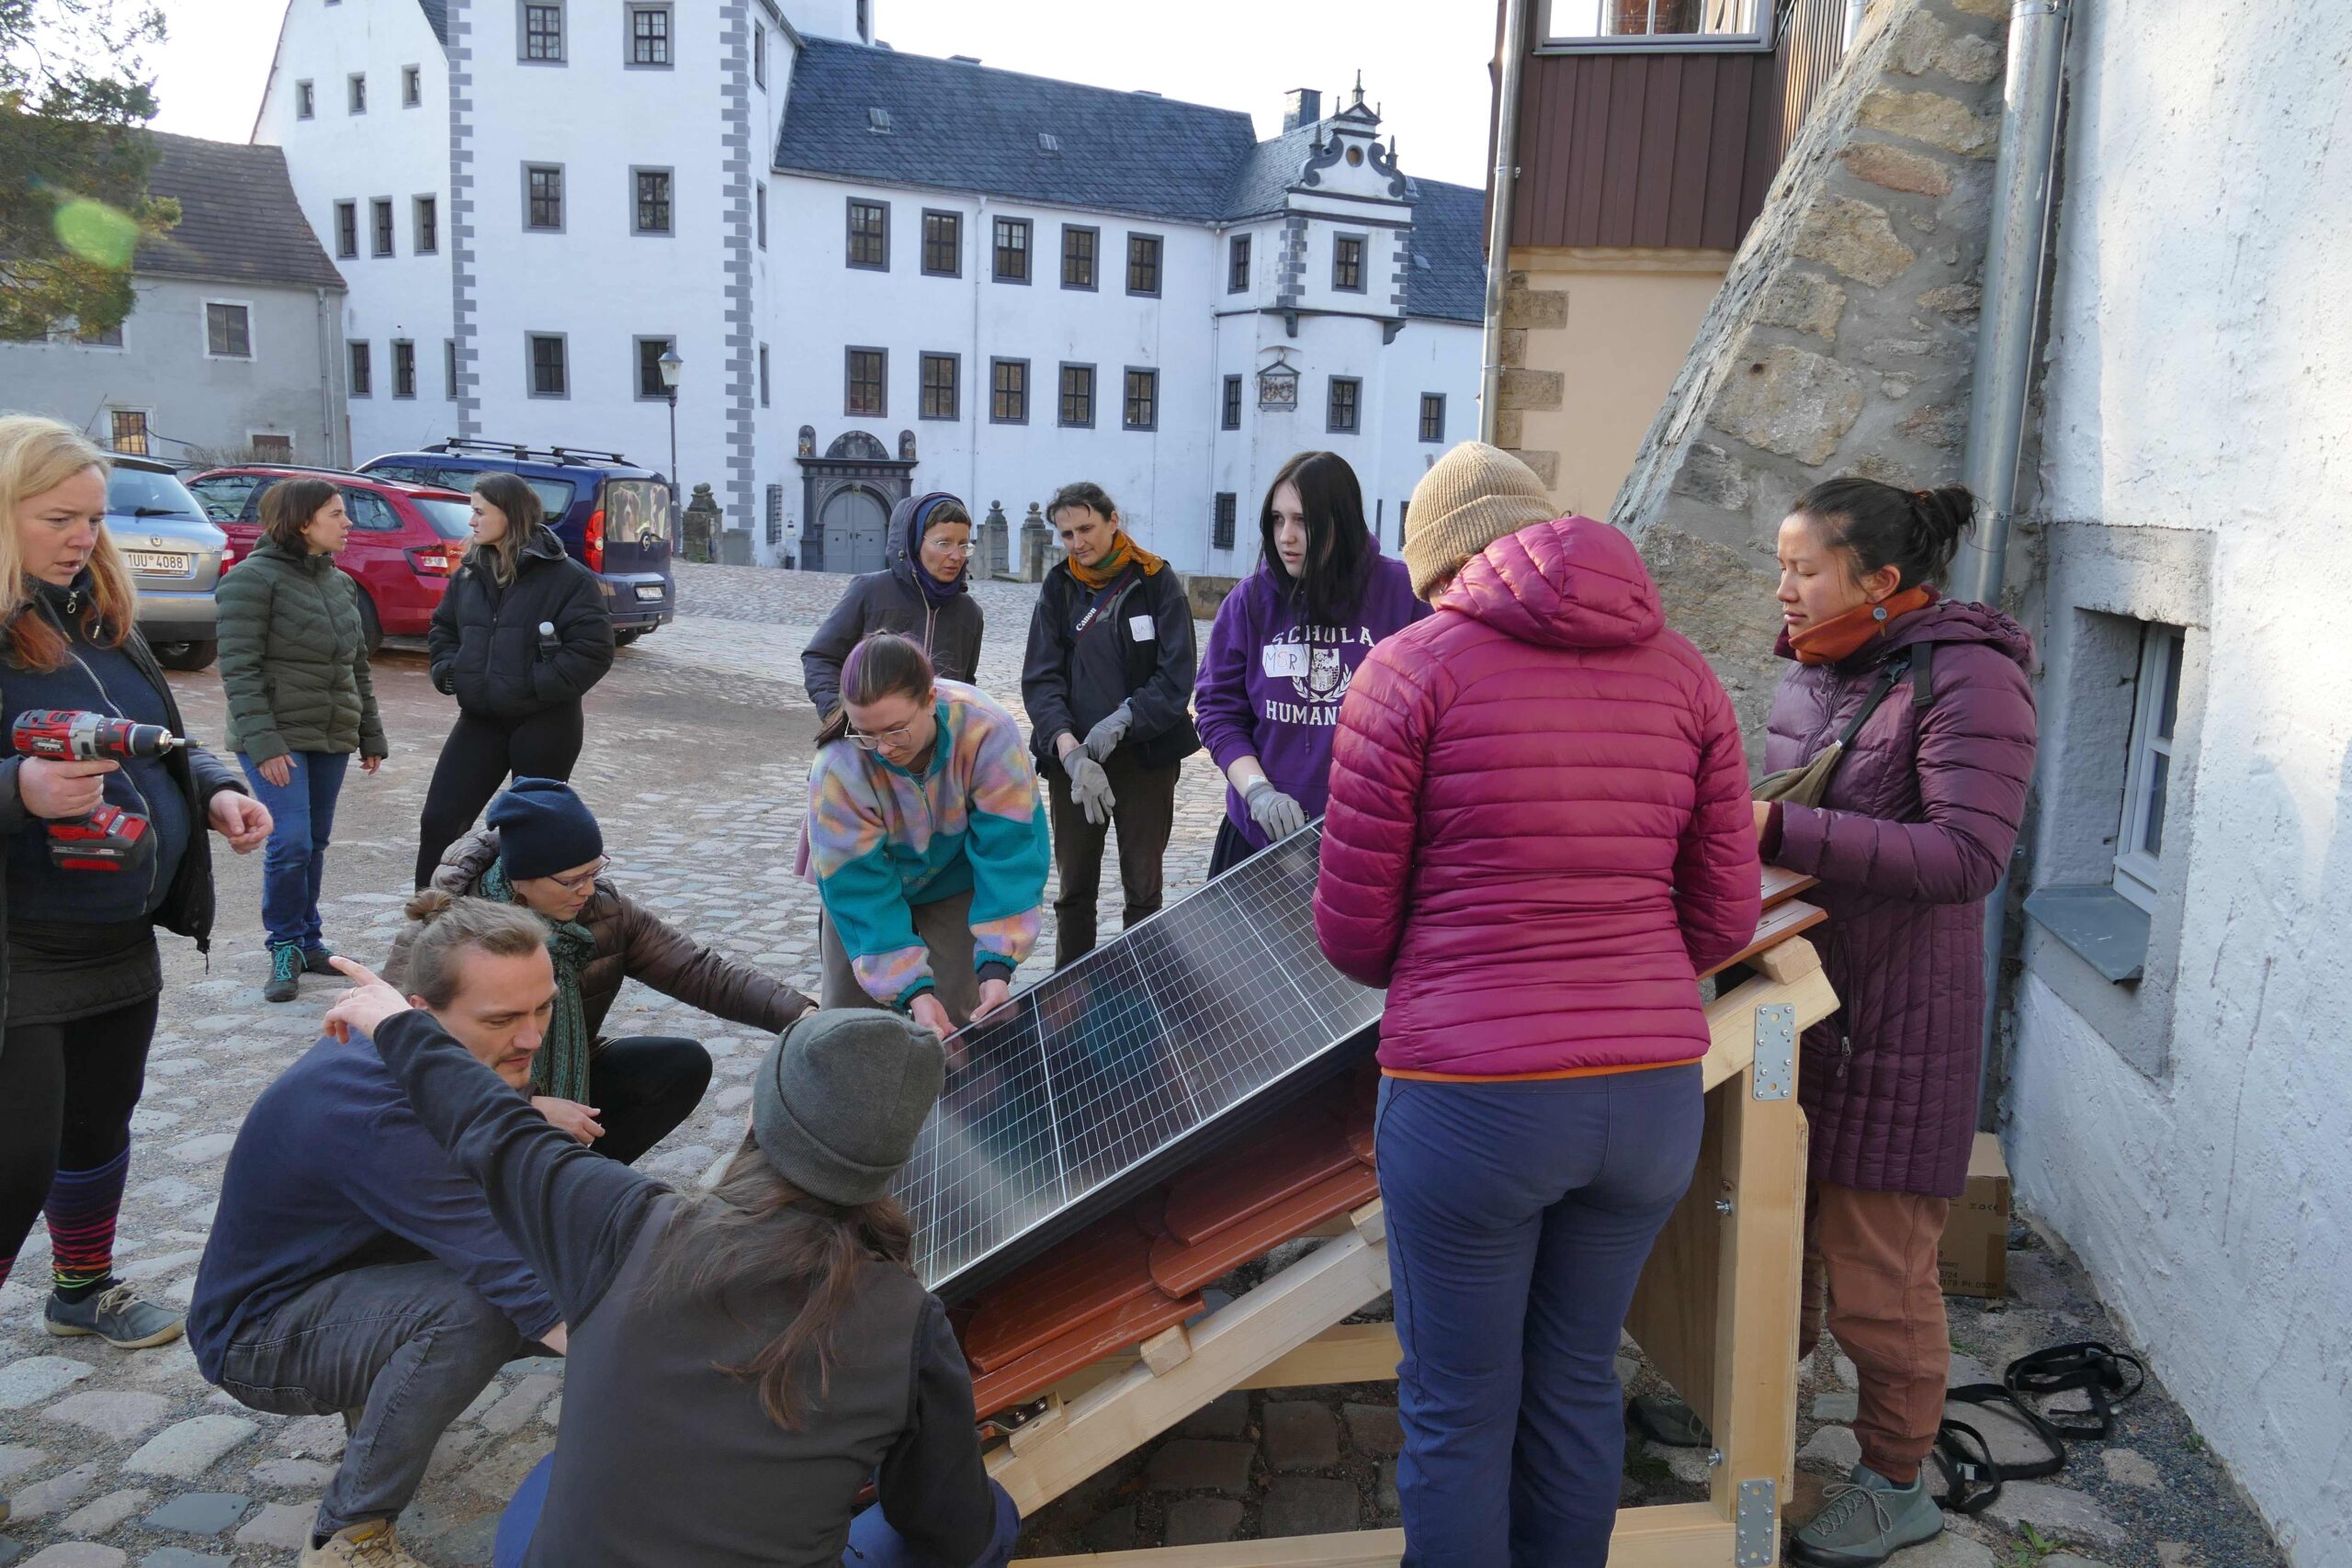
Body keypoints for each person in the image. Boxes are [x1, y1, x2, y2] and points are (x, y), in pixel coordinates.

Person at [1312, 441, 1762, 1567]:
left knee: (1460, 1404)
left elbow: (1355, 934)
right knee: (1572, 1380)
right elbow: (1721, 922)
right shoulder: (1688, 675)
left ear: (1440, 565)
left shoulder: (1409, 671)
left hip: (1471, 1101)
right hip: (1652, 1097)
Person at [315, 964, 1018, 1568]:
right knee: (993, 1524)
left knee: (547, 1489)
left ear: (760, 1115)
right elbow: (952, 1529)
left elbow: (491, 1128)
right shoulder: (905, 1318)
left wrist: (395, 1024)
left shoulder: (623, 1222)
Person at [1757, 478, 2035, 1568]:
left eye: (1803, 569)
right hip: (1800, 1008)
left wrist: (1778, 824)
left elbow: (1971, 858)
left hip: (1897, 1029)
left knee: (1879, 1282)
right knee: (1771, 1238)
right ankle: (1745, 1411)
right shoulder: (1819, 669)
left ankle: (1896, 1481)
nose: (1781, 589)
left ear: (1879, 582)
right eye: (1779, 566)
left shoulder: (1970, 679)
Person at [0, 415, 271, 1385]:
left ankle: (82, 1289)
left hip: (114, 938)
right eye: (58, 518)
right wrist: (18, 791)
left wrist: (216, 788)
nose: (84, 537)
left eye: (93, 518)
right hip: (18, 950)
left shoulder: (97, 621)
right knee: (11, 1169)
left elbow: (158, 740)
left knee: (100, 1126)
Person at [189, 896, 575, 1568]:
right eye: (502, 1018)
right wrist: (679, 1375)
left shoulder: (424, 1054)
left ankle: (382, 1384)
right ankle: (348, 1538)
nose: (532, 1037)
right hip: (258, 1335)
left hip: (352, 1277)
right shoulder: (379, 1110)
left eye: (542, 1007)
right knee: (482, 1309)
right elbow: (528, 1285)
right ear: (419, 1013)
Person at [389, 777, 813, 1164]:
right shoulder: (447, 932)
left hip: (566, 1073)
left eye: (594, 871)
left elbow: (698, 972)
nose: (587, 890)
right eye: (571, 880)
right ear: (521, 878)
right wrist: (524, 1106)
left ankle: (576, 1178)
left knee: (678, 1064)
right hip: (466, 1097)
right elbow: (394, 1051)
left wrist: (801, 1016)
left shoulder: (603, 911)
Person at [1194, 451, 1428, 875]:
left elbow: (1433, 714)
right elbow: (1217, 712)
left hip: (1366, 842)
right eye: (1278, 520)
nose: (1286, 536)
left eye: (1302, 520)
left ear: (1341, 520)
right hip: (1259, 834)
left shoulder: (1402, 596)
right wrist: (1258, 791)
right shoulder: (1249, 603)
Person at [808, 633, 1048, 1039]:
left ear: (929, 700)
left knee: (959, 1015)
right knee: (849, 1027)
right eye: (865, 732)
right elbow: (858, 888)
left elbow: (1010, 851)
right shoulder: (839, 766)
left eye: (895, 730)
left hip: (954, 880)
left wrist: (996, 965)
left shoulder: (986, 731)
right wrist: (911, 990)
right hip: (869, 888)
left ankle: (955, 1101)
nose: (882, 748)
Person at [215, 477, 390, 1003]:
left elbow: (355, 665)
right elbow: (238, 670)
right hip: (275, 735)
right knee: (288, 843)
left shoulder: (339, 584)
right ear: (302, 522)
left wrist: (370, 732)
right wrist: (264, 743)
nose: (348, 523)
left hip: (330, 732)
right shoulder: (250, 580)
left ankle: (310, 941)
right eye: (337, 514)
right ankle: (285, 946)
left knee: (312, 842)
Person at [1019, 481, 1199, 965]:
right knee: (1074, 890)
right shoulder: (1059, 586)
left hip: (1144, 762)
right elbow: (1041, 678)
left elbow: (1177, 676)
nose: (1078, 542)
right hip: (1073, 766)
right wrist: (1068, 748)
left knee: (1143, 889)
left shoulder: (1156, 581)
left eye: (1086, 528)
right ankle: (1070, 995)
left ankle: (1140, 993)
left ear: (1112, 520)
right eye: (1066, 533)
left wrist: (1125, 718)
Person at [415, 472, 614, 887]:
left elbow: (593, 650)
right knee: (440, 821)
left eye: (479, 511)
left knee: (530, 832)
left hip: (545, 722)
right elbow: (443, 630)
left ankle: (526, 928)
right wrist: (452, 672)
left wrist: (535, 686)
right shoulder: (469, 571)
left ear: (510, 514)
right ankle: (429, 926)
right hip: (481, 719)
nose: (471, 520)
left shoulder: (568, 578)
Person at [802, 491, 984, 724]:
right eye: (943, 544)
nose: (956, 556)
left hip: (935, 748)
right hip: (869, 741)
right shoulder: (870, 591)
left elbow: (964, 684)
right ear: (916, 543)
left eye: (963, 545)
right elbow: (820, 657)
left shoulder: (969, 613)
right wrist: (838, 715)